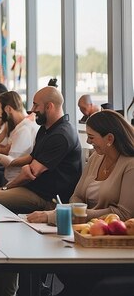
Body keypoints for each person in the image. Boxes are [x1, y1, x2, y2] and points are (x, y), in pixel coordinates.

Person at [24, 110, 134, 296]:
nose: (88, 141)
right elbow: (77, 197)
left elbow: (123, 214)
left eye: (91, 137)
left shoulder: (130, 165)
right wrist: (79, 212)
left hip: (110, 245)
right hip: (86, 235)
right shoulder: (96, 158)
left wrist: (63, 215)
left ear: (109, 138)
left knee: (72, 274)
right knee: (61, 265)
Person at [0, 87, 82, 214]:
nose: (32, 110)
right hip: (35, 189)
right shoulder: (46, 129)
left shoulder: (61, 135)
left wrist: (5, 188)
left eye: (36, 105)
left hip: (49, 198)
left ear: (49, 106)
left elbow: (31, 172)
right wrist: (12, 162)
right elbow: (32, 157)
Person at [0, 91, 39, 190]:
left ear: (8, 109)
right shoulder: (19, 126)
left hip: (14, 181)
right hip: (10, 177)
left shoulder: (23, 130)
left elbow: (12, 160)